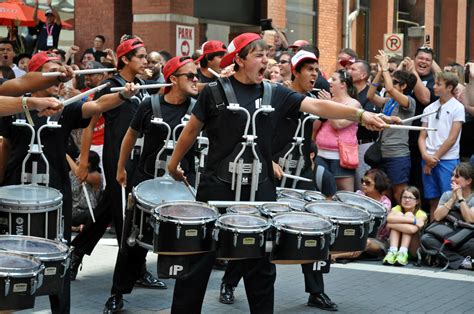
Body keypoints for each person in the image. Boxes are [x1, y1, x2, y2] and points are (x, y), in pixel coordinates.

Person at [166, 32, 385, 314]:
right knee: (196, 267)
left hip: (260, 191)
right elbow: (191, 131)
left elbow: (316, 105)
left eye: (267, 55)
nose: (266, 61)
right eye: (258, 55)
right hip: (216, 189)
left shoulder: (275, 93)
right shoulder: (214, 92)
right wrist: (173, 164)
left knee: (261, 272)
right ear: (240, 59)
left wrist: (360, 115)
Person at [0, 50, 138, 314]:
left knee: (58, 262)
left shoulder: (64, 108)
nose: (59, 77)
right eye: (52, 71)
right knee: (9, 260)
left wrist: (122, 95)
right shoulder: (14, 105)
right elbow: (6, 144)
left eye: (61, 72)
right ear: (35, 74)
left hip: (55, 196)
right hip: (14, 195)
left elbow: (96, 106)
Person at [103, 56, 199, 312]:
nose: (195, 80)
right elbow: (131, 135)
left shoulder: (198, 108)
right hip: (145, 181)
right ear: (172, 79)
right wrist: (121, 168)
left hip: (180, 188)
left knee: (180, 245)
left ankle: (183, 303)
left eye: (196, 75)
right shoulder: (150, 104)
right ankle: (117, 293)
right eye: (189, 75)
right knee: (131, 242)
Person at [69, 37, 162, 290]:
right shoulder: (109, 86)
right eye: (141, 56)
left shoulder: (141, 84)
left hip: (136, 158)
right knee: (127, 216)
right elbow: (90, 126)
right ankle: (136, 270)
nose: (146, 61)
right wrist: (84, 161)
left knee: (109, 208)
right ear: (125, 59)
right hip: (116, 160)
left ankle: (76, 251)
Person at [367, 50, 417, 202]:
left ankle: (401, 223)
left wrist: (385, 68)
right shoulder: (389, 101)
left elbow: (389, 89)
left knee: (399, 194)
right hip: (383, 153)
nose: (390, 83)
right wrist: (380, 72)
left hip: (398, 155)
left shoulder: (409, 101)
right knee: (383, 193)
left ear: (403, 86)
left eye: (395, 81)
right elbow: (370, 95)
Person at [418, 72, 465, 219]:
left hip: (447, 160)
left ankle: (446, 234)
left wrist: (433, 159)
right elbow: (422, 136)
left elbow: (452, 138)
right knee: (433, 200)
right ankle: (431, 232)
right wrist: (426, 156)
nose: (434, 87)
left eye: (438, 84)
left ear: (449, 87)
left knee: (449, 200)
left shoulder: (458, 107)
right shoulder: (429, 108)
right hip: (428, 159)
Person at [420, 162, 474, 270]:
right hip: (446, 236)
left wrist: (460, 198)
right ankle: (463, 262)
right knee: (426, 239)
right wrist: (452, 199)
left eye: (457, 176)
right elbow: (437, 217)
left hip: (465, 238)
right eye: (452, 175)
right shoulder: (447, 195)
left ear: (468, 181)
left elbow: (470, 219)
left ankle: (443, 256)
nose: (452, 179)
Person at [314, 69, 361, 191]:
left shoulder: (354, 104)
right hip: (320, 154)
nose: (330, 82)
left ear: (343, 84)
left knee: (344, 195)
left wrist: (328, 104)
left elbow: (338, 124)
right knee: (320, 192)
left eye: (334, 79)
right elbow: (316, 125)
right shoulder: (329, 101)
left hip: (341, 157)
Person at [348, 59, 381, 189]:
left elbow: (368, 118)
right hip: (348, 144)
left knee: (363, 184)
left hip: (364, 144)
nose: (348, 71)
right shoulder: (349, 93)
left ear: (363, 75)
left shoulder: (371, 95)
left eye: (353, 69)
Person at [383, 186, 428, 266]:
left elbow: (411, 230)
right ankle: (392, 252)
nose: (407, 200)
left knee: (408, 214)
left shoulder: (421, 214)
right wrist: (413, 221)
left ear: (417, 201)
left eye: (411, 198)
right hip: (397, 247)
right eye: (404, 197)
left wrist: (391, 224)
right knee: (400, 215)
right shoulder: (397, 209)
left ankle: (403, 253)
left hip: (413, 249)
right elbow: (389, 218)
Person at [66, 151, 103, 232]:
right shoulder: (71, 173)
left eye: (79, 158)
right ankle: (75, 228)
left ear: (88, 163)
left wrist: (67, 157)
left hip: (87, 212)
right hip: (73, 212)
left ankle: (75, 228)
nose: (76, 159)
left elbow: (79, 174)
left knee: (91, 214)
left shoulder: (96, 176)